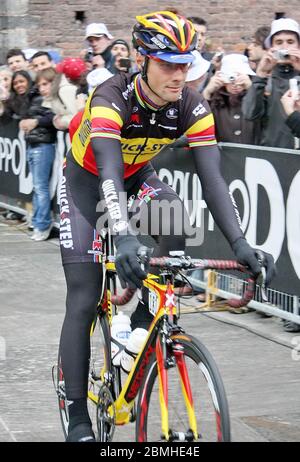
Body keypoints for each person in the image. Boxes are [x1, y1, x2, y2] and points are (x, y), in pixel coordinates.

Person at [58, 10, 276, 442]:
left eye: (185, 63)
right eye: (167, 64)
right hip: (87, 183)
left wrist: (240, 243)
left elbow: (213, 181)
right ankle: (78, 415)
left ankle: (141, 322)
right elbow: (106, 169)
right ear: (142, 58)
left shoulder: (191, 105)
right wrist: (122, 234)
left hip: (135, 177)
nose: (179, 74)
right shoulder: (110, 97)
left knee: (173, 211)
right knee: (84, 294)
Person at [242, 17, 300, 148]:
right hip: (274, 154)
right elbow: (250, 113)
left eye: (290, 42)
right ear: (271, 47)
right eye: (279, 42)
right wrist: (260, 74)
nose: (285, 47)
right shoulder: (266, 78)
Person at [19, 71, 57, 241]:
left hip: (44, 146)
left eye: (45, 84)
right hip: (33, 145)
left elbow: (53, 117)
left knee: (41, 187)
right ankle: (37, 222)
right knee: (37, 187)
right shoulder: (34, 98)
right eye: (39, 85)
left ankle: (43, 224)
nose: (42, 88)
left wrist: (35, 122)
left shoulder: (54, 100)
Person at [203, 54, 261, 144]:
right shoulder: (215, 101)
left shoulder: (256, 97)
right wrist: (207, 93)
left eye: (240, 78)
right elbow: (200, 124)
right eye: (230, 78)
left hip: (253, 155)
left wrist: (251, 88)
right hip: (224, 155)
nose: (235, 84)